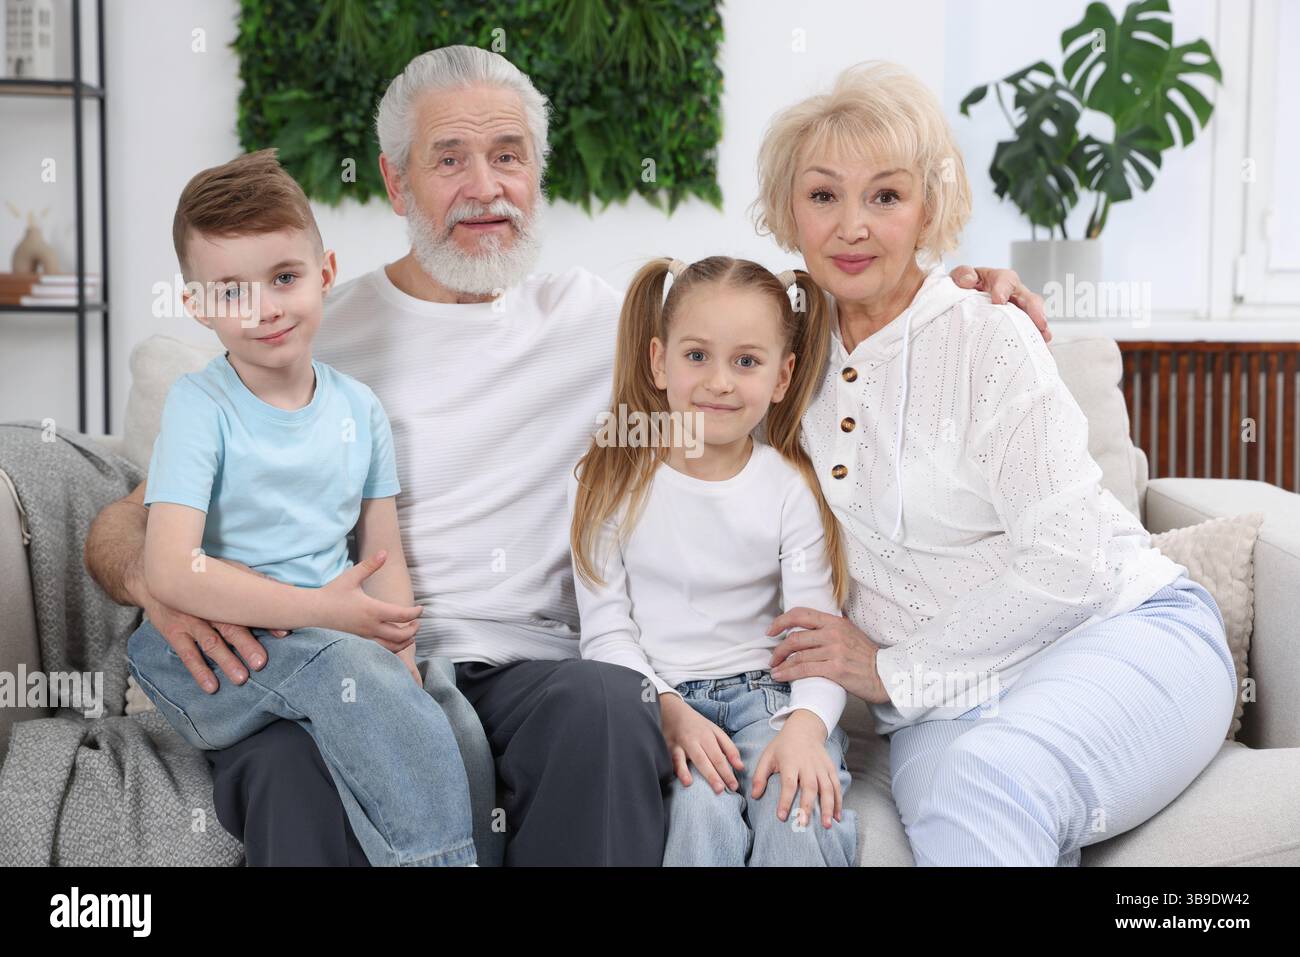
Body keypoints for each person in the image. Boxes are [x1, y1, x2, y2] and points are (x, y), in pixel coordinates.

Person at [85, 45, 1049, 866]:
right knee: (287, 771)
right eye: (449, 158)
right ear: (395, 182)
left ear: (536, 173)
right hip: (365, 664)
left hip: (539, 667)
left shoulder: (611, 326)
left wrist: (952, 302)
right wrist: (154, 575)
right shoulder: (315, 332)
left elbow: (759, 343)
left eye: (509, 155)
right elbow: (136, 513)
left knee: (603, 705)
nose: (484, 187)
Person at [749, 61, 1237, 865]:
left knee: (986, 779)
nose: (852, 226)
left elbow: (1075, 560)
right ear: (787, 208)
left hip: (1119, 634)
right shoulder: (777, 348)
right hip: (948, 707)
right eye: (823, 194)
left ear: (929, 208)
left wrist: (895, 667)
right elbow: (680, 354)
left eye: (887, 195)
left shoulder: (987, 332)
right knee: (967, 799)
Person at [126, 149, 476, 867]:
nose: (263, 308)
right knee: (335, 667)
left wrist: (400, 653)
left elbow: (382, 557)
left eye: (283, 277)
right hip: (207, 659)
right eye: (231, 291)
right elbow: (169, 568)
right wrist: (323, 612)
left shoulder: (359, 408)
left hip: (326, 642)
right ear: (196, 305)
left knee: (450, 720)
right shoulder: (201, 406)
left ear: (324, 273)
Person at [569, 255, 858, 865]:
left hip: (769, 700)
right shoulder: (609, 480)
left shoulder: (790, 489)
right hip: (660, 699)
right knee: (697, 815)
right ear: (657, 362)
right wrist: (667, 712)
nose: (720, 381)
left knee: (797, 806)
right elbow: (605, 632)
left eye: (746, 362)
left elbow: (816, 638)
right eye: (697, 355)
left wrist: (806, 729)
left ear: (782, 377)